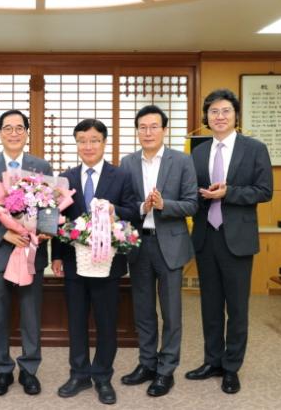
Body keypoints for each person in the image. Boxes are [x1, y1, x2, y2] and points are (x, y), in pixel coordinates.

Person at [185, 89, 273, 394]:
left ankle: (232, 367)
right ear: (206, 117)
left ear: (236, 115)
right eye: (213, 112)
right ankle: (212, 361)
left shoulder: (255, 148)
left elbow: (265, 191)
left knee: (236, 307)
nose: (219, 116)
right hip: (206, 236)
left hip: (238, 238)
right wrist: (200, 195)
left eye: (225, 111)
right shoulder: (198, 152)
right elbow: (191, 192)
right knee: (210, 305)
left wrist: (229, 192)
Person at [51, 119, 136, 405]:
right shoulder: (65, 178)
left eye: (94, 140)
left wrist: (113, 210)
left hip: (108, 262)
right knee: (76, 320)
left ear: (104, 143)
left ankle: (102, 376)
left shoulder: (121, 176)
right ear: (77, 144)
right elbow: (58, 219)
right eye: (82, 141)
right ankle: (79, 374)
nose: (88, 146)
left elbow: (133, 211)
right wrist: (56, 256)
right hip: (74, 261)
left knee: (106, 321)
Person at [0, 110, 52, 397]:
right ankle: (2, 369)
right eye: (8, 128)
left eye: (19, 128)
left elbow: (50, 205)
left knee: (31, 314)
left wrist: (44, 230)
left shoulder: (40, 165)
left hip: (30, 251)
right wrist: (5, 233)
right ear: (0, 133)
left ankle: (29, 369)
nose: (14, 133)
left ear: (27, 132)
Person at [119, 105, 198, 397]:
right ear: (137, 131)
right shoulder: (127, 163)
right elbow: (125, 205)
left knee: (171, 312)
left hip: (171, 245)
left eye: (154, 126)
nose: (148, 132)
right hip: (140, 244)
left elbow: (192, 203)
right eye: (143, 127)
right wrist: (143, 207)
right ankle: (147, 363)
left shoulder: (182, 161)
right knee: (143, 310)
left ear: (165, 130)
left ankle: (166, 371)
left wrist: (165, 205)